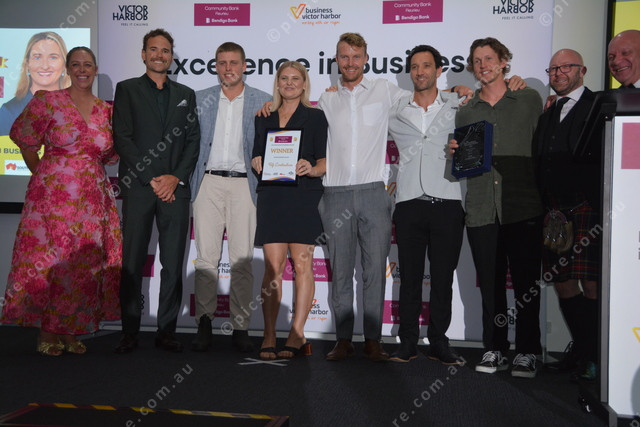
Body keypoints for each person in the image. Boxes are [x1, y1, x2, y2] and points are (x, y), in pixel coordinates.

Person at [1, 46, 121, 355]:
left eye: (88, 65)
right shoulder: (48, 101)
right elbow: (26, 140)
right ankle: (47, 332)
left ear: (95, 69)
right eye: (76, 64)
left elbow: (109, 155)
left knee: (82, 265)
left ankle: (70, 330)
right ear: (67, 69)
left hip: (93, 202)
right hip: (52, 202)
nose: (82, 70)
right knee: (51, 264)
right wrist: (44, 175)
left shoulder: (106, 110)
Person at [451, 37, 544, 378]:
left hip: (523, 206)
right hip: (481, 209)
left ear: (504, 61)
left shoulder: (529, 99)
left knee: (526, 284)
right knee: (490, 286)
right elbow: (465, 162)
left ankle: (528, 351)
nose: (483, 65)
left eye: (489, 58)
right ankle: (495, 348)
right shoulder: (466, 109)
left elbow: (542, 149)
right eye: (477, 61)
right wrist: (456, 153)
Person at [317, 33, 406, 362]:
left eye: (356, 56)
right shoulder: (326, 99)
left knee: (374, 271)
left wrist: (458, 92)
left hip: (373, 193)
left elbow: (422, 99)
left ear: (366, 59)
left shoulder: (384, 89)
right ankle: (343, 339)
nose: (350, 62)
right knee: (340, 272)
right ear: (336, 60)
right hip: (335, 194)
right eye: (344, 57)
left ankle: (372, 340)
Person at [113, 28, 200, 354]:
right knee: (132, 262)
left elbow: (193, 141)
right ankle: (129, 332)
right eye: (153, 49)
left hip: (175, 191)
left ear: (171, 56)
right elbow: (123, 138)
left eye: (165, 50)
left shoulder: (186, 94)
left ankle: (166, 331)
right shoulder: (127, 89)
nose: (159, 55)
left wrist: (174, 178)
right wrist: (153, 178)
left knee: (173, 263)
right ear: (143, 54)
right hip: (139, 187)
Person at [190, 42, 271, 353]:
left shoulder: (263, 101)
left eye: (233, 62)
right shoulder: (201, 99)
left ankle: (240, 326)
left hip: (244, 185)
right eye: (222, 63)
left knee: (241, 260)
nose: (228, 68)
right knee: (206, 259)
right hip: (207, 182)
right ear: (215, 66)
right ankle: (204, 322)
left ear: (245, 66)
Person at [387, 45, 465, 365]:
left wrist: (464, 90)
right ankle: (407, 341)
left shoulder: (458, 104)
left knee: (443, 278)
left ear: (439, 70)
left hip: (448, 200)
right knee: (410, 278)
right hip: (408, 202)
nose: (420, 71)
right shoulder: (395, 109)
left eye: (427, 65)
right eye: (415, 66)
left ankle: (439, 341)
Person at [252, 61, 328, 360]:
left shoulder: (316, 117)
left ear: (305, 84)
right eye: (284, 78)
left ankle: (297, 332)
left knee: (302, 265)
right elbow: (257, 153)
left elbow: (324, 161)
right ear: (277, 83)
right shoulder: (264, 116)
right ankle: (269, 334)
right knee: (273, 267)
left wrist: (311, 167)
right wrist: (257, 160)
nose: (290, 83)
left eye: (296, 78)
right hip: (272, 196)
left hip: (303, 196)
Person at [534, 49, 599, 380]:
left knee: (593, 285)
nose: (558, 73)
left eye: (565, 67)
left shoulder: (598, 106)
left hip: (589, 209)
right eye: (553, 69)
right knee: (563, 285)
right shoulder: (548, 113)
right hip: (554, 213)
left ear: (582, 71)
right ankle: (584, 352)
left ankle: (596, 357)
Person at [0, 31, 70, 135]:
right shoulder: (9, 112)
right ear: (27, 64)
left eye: (53, 57)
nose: (45, 66)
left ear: (64, 64)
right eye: (37, 57)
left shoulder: (78, 108)